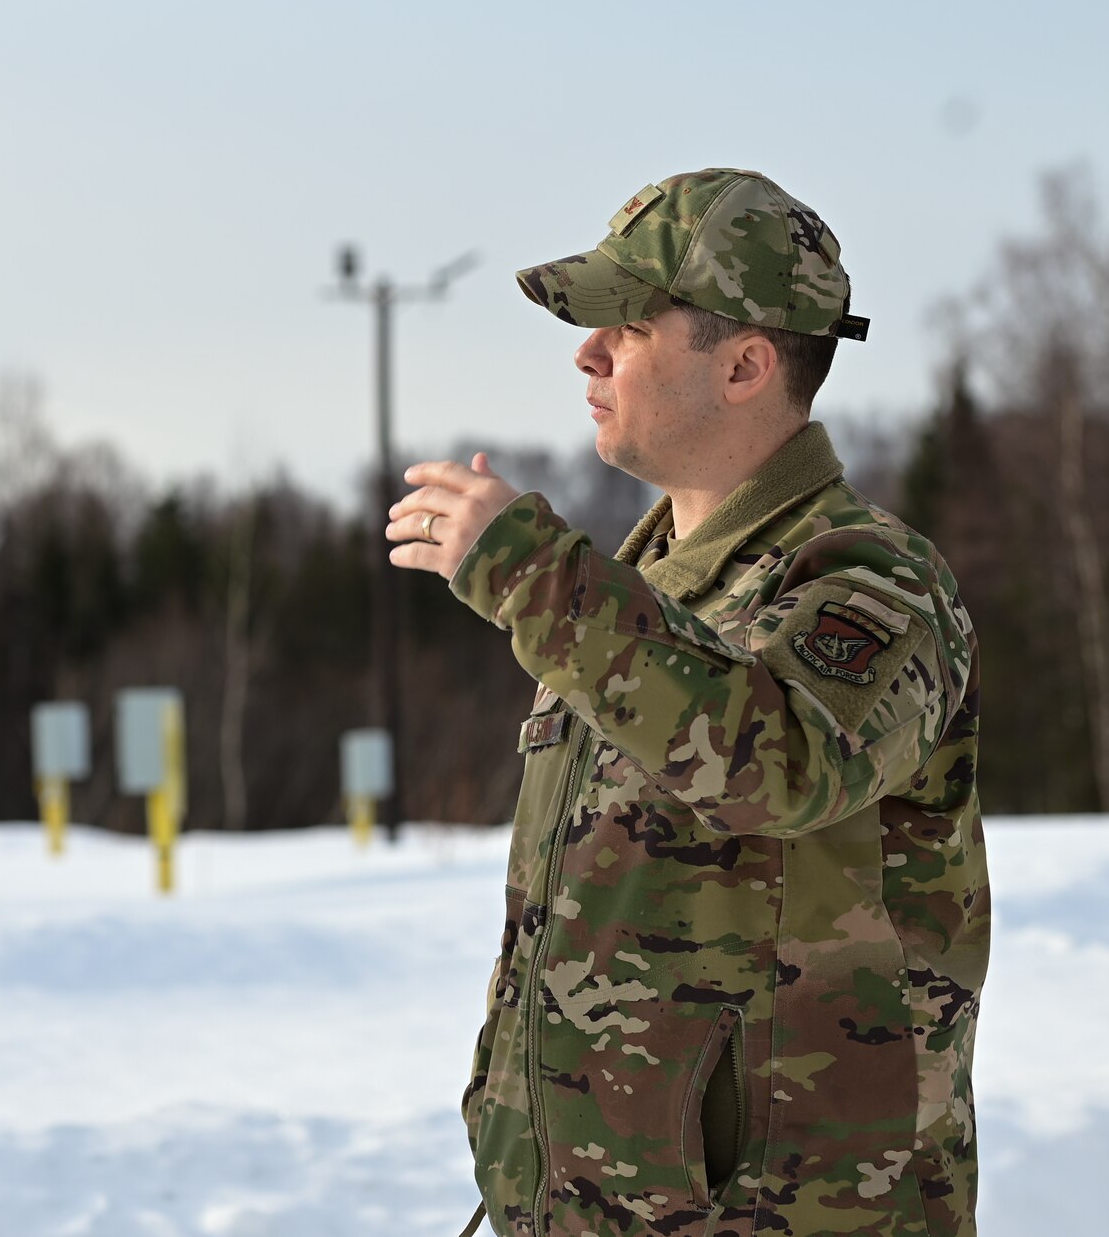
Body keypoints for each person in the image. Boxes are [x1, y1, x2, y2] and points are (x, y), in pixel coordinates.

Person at [387, 168, 985, 1237]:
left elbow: (786, 761)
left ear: (746, 363)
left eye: (624, 325)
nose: (585, 352)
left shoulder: (874, 585)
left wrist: (533, 576)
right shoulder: (647, 595)